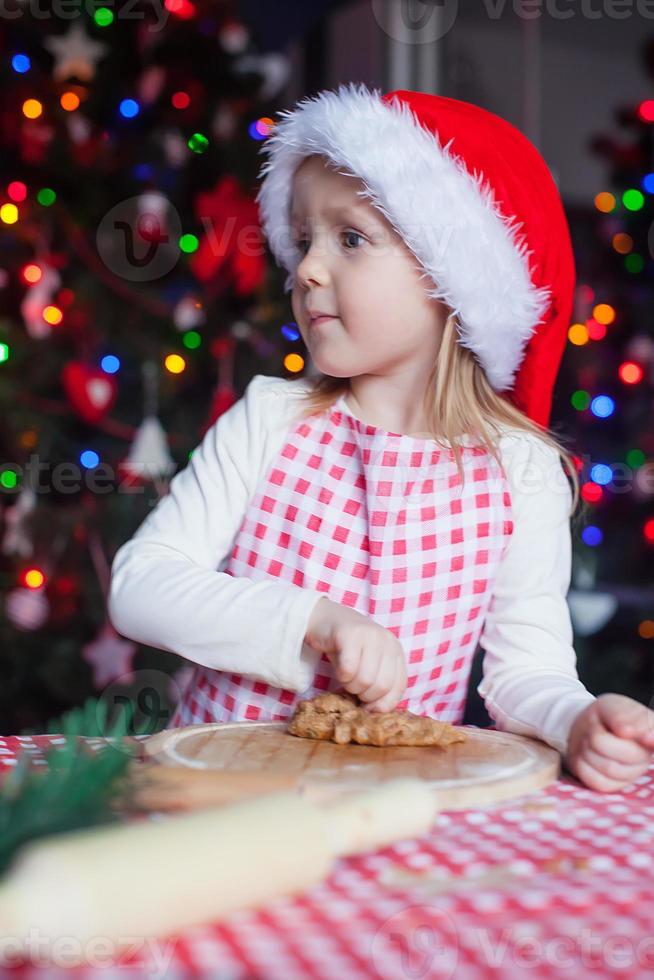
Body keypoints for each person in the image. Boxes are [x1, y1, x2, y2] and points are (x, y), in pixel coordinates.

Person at [109, 83, 654, 793]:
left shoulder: (520, 470)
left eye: (352, 238)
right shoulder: (271, 420)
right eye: (303, 240)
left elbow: (527, 671)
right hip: (221, 794)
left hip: (392, 814)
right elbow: (140, 587)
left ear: (452, 279)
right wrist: (313, 621)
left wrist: (576, 719)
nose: (304, 267)